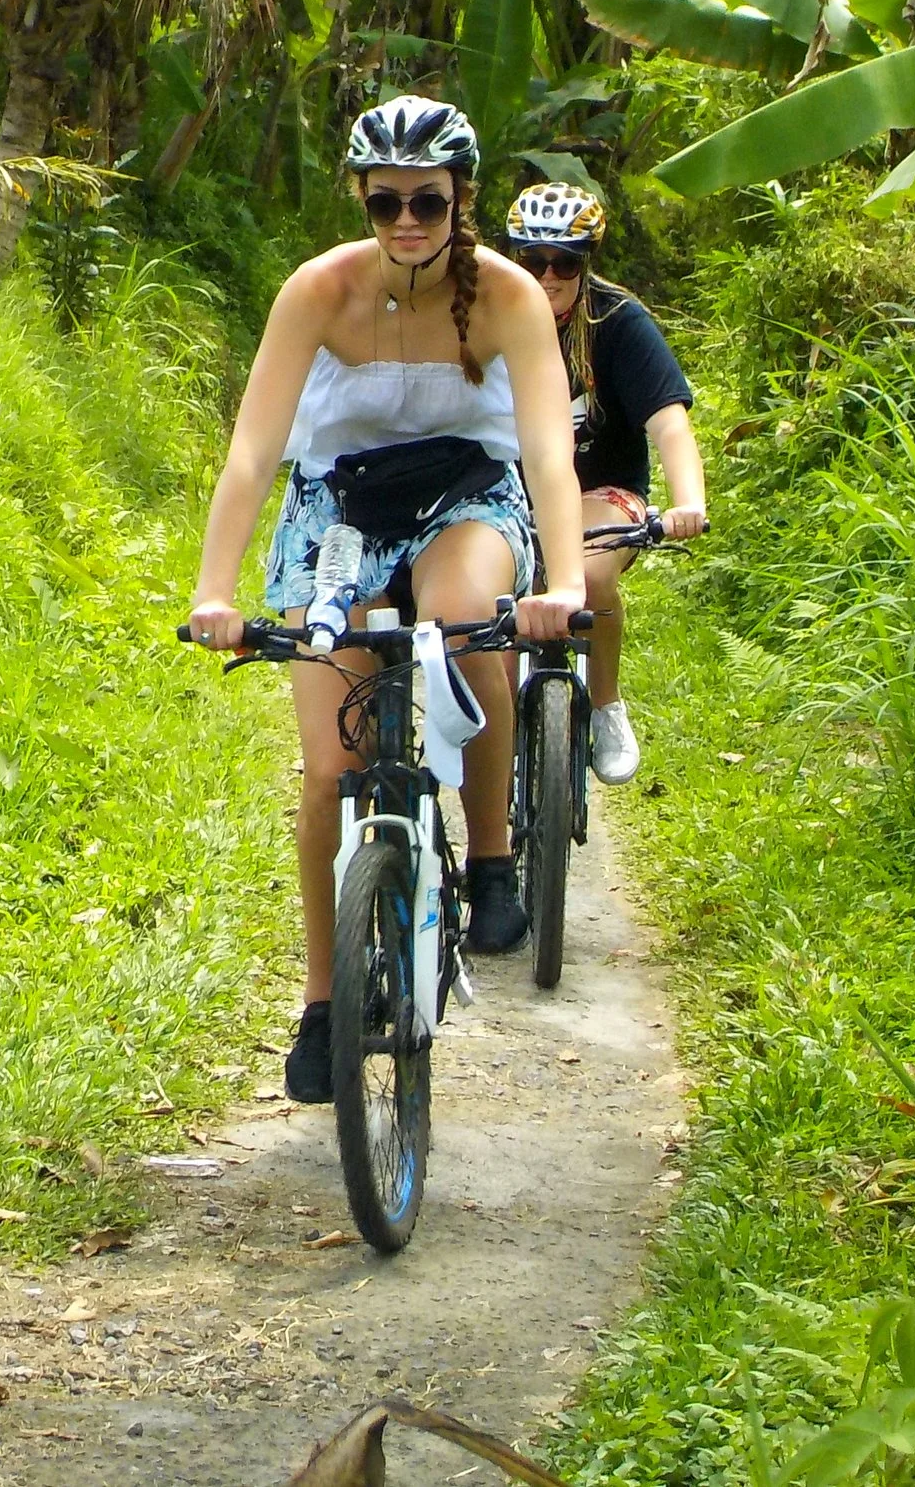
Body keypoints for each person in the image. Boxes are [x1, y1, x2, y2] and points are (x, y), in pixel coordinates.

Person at [186, 97, 586, 1105]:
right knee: (330, 771)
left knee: (462, 624)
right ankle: (323, 1001)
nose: (406, 221)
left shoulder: (506, 295)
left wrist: (568, 582)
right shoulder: (317, 292)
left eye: (427, 201)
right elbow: (250, 450)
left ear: (462, 199)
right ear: (360, 201)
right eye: (384, 202)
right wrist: (214, 590)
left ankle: (491, 857)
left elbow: (544, 451)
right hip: (339, 508)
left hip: (466, 493)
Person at [500, 181, 705, 785]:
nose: (548, 276)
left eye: (565, 262)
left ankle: (607, 705)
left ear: (586, 263)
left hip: (602, 494)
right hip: (505, 493)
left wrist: (688, 502)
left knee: (587, 576)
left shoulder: (617, 320)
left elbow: (669, 424)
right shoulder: (482, 313)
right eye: (533, 261)